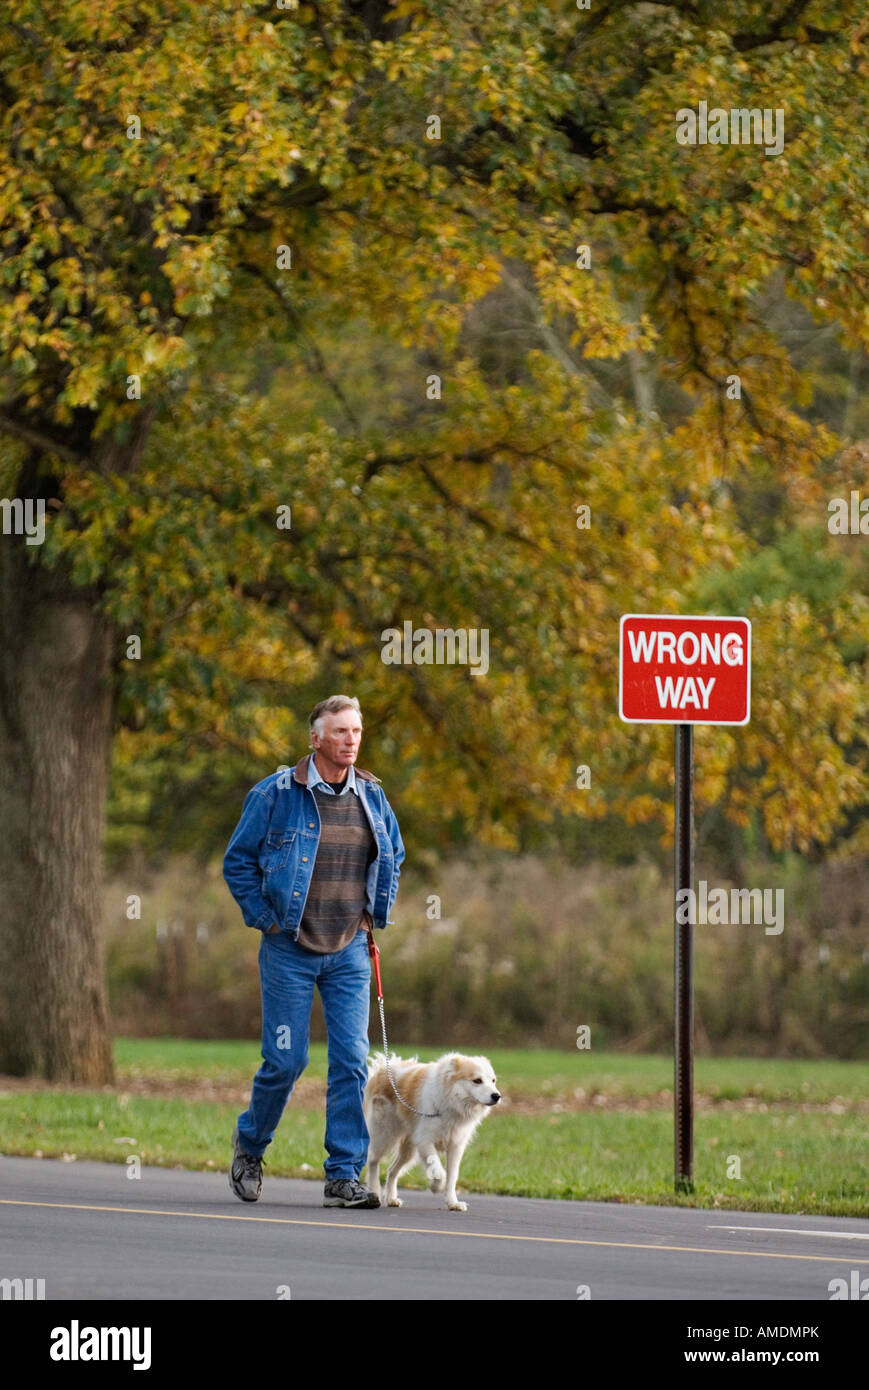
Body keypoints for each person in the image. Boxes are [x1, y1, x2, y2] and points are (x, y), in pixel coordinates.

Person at [222, 694, 405, 1208]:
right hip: (290, 951)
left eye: (357, 731)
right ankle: (250, 1145)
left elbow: (393, 852)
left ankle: (342, 1176)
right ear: (316, 738)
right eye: (341, 732)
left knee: (350, 1060)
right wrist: (266, 919)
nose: (351, 740)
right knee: (286, 1059)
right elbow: (237, 862)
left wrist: (376, 912)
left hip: (348, 950)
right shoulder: (275, 795)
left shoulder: (372, 795)